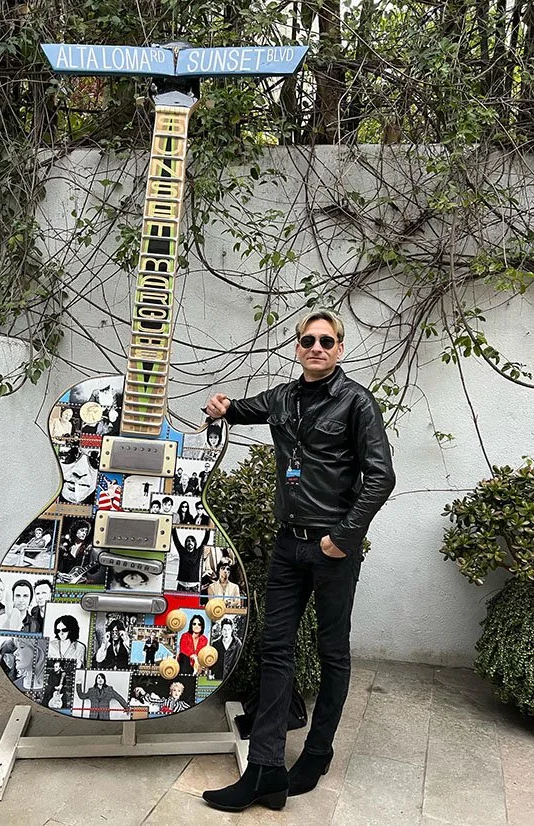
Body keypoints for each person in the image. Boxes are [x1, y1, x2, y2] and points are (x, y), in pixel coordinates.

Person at [202, 309, 396, 812]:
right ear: (297, 346)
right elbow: (241, 409)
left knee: (332, 651)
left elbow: (380, 477)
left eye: (326, 341)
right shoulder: (284, 398)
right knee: (276, 649)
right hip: (289, 544)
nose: (317, 347)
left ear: (340, 348)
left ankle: (317, 751)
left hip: (332, 548)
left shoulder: (357, 402)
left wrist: (342, 537)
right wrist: (221, 406)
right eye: (308, 340)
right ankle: (265, 770)